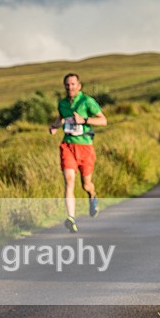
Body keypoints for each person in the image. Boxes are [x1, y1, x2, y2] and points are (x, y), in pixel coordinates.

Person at [49, 73, 107, 233]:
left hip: (85, 147)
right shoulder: (62, 104)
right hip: (68, 145)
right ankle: (71, 218)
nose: (70, 87)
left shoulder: (87, 101)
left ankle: (93, 196)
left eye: (73, 84)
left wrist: (85, 120)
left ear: (79, 86)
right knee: (69, 181)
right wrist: (54, 126)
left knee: (86, 184)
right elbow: (61, 118)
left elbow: (103, 120)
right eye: (67, 85)